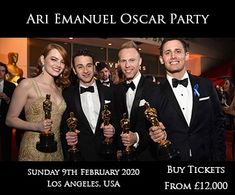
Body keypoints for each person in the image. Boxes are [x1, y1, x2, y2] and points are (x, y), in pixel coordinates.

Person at [149, 38, 226, 161]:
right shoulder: (154, 93)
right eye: (168, 52)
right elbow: (150, 131)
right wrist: (155, 134)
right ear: (161, 59)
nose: (173, 56)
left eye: (178, 51)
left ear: (186, 56)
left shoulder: (206, 85)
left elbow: (218, 123)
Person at [6, 43, 71, 161]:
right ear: (42, 59)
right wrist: (36, 126)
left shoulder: (60, 89)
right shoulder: (27, 84)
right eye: (53, 59)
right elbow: (10, 120)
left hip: (57, 150)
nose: (58, 65)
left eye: (62, 61)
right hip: (33, 150)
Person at [61, 49, 117, 161]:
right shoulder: (66, 94)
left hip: (107, 154)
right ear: (74, 70)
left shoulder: (111, 92)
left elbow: (118, 119)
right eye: (80, 66)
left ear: (94, 68)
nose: (85, 70)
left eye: (89, 66)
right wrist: (67, 135)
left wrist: (114, 129)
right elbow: (62, 126)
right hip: (80, 155)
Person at [114, 41, 165, 161]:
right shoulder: (116, 90)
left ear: (140, 61)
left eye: (132, 60)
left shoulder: (154, 89)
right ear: (119, 63)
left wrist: (136, 137)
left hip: (148, 155)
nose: (127, 65)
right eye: (123, 61)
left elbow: (160, 127)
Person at [0, 62, 16, 161]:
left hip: (6, 120)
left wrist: (6, 98)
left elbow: (14, 105)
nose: (0, 73)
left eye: (2, 71)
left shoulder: (11, 86)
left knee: (6, 145)